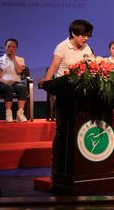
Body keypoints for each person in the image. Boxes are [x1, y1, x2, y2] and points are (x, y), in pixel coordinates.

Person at [39, 19, 95, 174]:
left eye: (88, 36)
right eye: (83, 35)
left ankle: (81, 165)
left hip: (82, 95)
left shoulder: (86, 47)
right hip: (65, 94)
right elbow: (54, 66)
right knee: (62, 131)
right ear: (73, 33)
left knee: (81, 129)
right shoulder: (62, 47)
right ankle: (57, 166)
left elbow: (93, 63)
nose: (86, 39)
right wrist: (46, 82)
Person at [0, 38, 28, 123]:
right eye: (9, 46)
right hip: (4, 83)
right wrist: (7, 82)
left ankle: (20, 113)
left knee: (22, 87)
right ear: (5, 47)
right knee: (9, 88)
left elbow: (19, 71)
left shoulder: (20, 59)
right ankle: (8, 113)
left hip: (17, 82)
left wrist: (13, 58)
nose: (11, 49)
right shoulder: (0, 60)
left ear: (16, 48)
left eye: (13, 47)